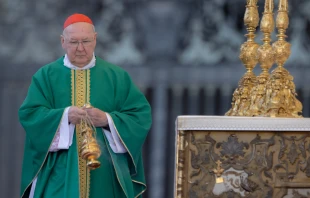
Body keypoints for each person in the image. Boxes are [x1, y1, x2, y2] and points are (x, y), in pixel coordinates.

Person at [18, 13, 152, 198]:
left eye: (86, 41)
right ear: (62, 41)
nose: (80, 48)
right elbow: (30, 115)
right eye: (73, 42)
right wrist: (65, 116)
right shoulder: (46, 76)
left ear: (95, 40)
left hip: (106, 175)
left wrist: (107, 119)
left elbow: (140, 115)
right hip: (59, 173)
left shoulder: (116, 77)